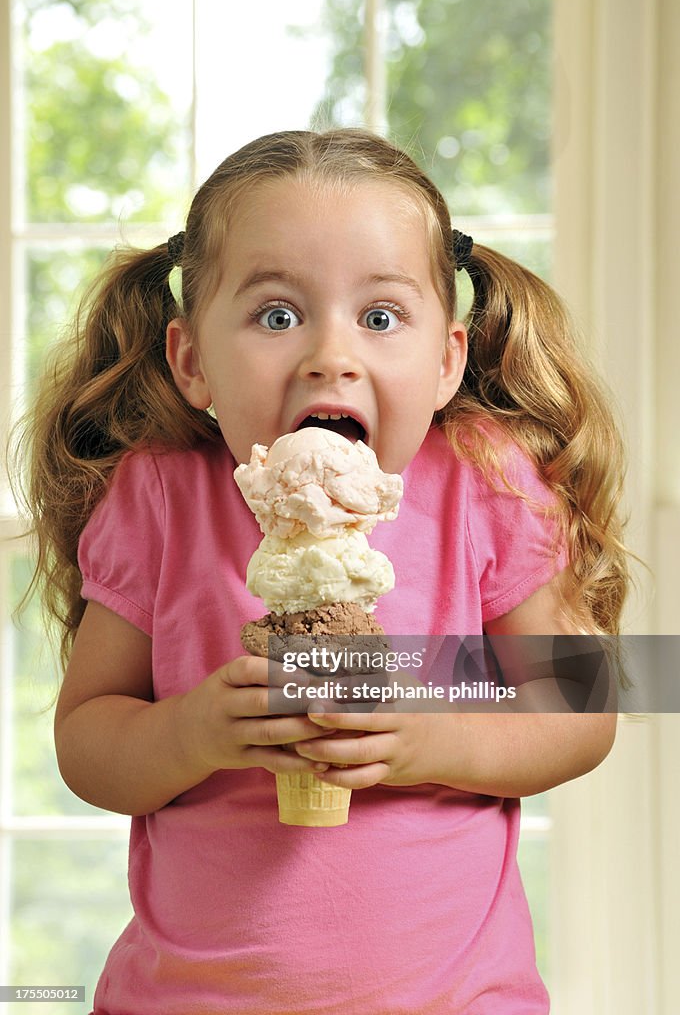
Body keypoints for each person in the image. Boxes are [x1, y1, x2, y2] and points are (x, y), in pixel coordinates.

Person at [16, 129, 630, 1014]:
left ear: (447, 358)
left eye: (380, 318)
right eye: (277, 316)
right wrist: (191, 732)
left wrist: (429, 739)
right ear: (193, 362)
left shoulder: (484, 484)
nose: (329, 356)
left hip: (456, 1000)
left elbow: (582, 708)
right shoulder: (159, 495)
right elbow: (86, 740)